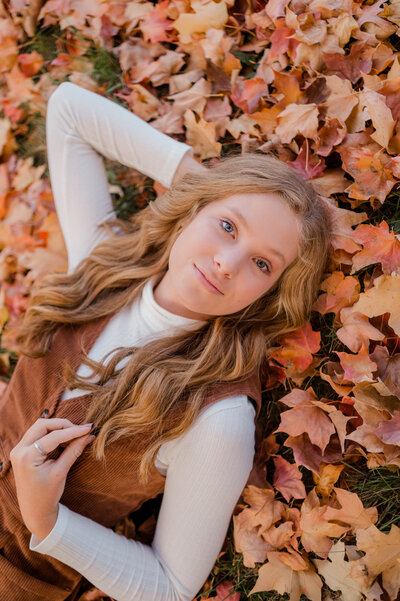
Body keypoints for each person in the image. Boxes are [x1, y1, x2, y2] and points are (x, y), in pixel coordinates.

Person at [0, 81, 333, 601]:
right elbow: (68, 111)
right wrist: (202, 184)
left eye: (262, 263)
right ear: (193, 209)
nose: (227, 262)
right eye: (227, 226)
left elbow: (171, 586)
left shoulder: (216, 418)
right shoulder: (103, 264)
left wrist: (48, 520)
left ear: (270, 293)